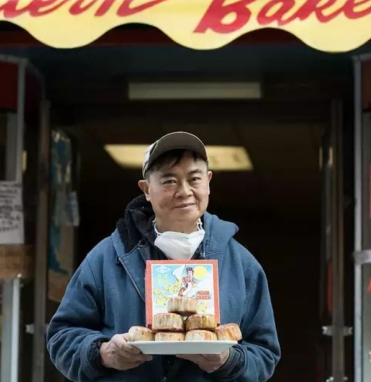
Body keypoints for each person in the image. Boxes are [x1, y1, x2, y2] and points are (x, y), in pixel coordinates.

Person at [46, 131, 280, 381]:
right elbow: (61, 337)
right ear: (146, 189)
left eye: (194, 179)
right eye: (169, 181)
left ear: (208, 182)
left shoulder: (241, 265)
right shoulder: (107, 257)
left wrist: (228, 361)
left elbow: (265, 354)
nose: (184, 191)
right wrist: (104, 353)